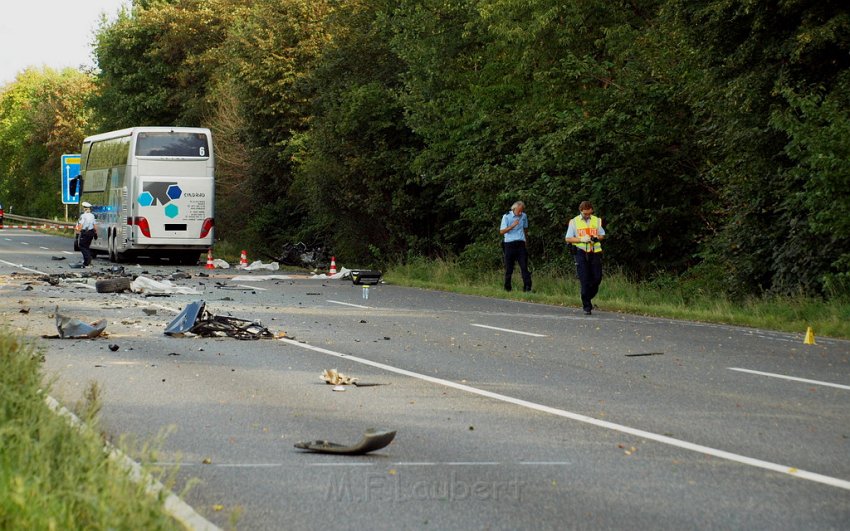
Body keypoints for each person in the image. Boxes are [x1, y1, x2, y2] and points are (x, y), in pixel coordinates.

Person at [565, 200, 605, 315]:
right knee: (584, 279)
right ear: (581, 211)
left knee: (597, 278)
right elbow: (568, 238)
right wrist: (581, 239)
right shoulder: (574, 222)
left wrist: (597, 237)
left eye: (589, 213)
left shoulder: (596, 220)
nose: (587, 216)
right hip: (581, 252)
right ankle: (587, 306)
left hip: (595, 251)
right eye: (585, 214)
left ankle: (587, 295)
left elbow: (602, 234)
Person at [499, 201, 532, 292]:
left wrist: (526, 242)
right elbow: (501, 231)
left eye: (522, 211)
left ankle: (527, 287)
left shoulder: (524, 216)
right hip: (509, 244)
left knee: (524, 267)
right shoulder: (506, 216)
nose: (520, 213)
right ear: (514, 209)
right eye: (519, 211)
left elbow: (525, 229)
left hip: (521, 244)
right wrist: (512, 226)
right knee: (509, 268)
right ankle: (507, 288)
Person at [75, 201, 97, 267]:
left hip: (85, 232)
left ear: (85, 208)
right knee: (87, 246)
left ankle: (87, 260)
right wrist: (96, 233)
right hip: (91, 232)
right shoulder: (92, 215)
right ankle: (88, 260)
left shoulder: (83, 216)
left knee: (82, 246)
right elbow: (95, 225)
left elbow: (81, 225)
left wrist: (78, 233)